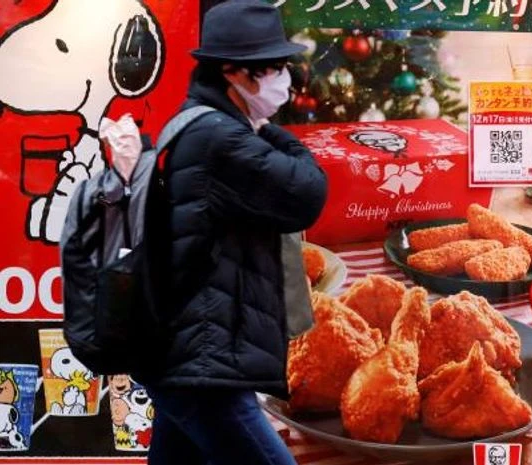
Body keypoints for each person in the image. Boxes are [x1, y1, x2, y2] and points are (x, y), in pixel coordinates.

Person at [137, 2, 327, 464]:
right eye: (275, 68)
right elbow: (307, 193)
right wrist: (277, 134)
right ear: (233, 73)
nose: (286, 79)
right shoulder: (220, 138)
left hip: (181, 357)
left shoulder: (198, 122)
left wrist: (259, 128)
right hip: (204, 367)